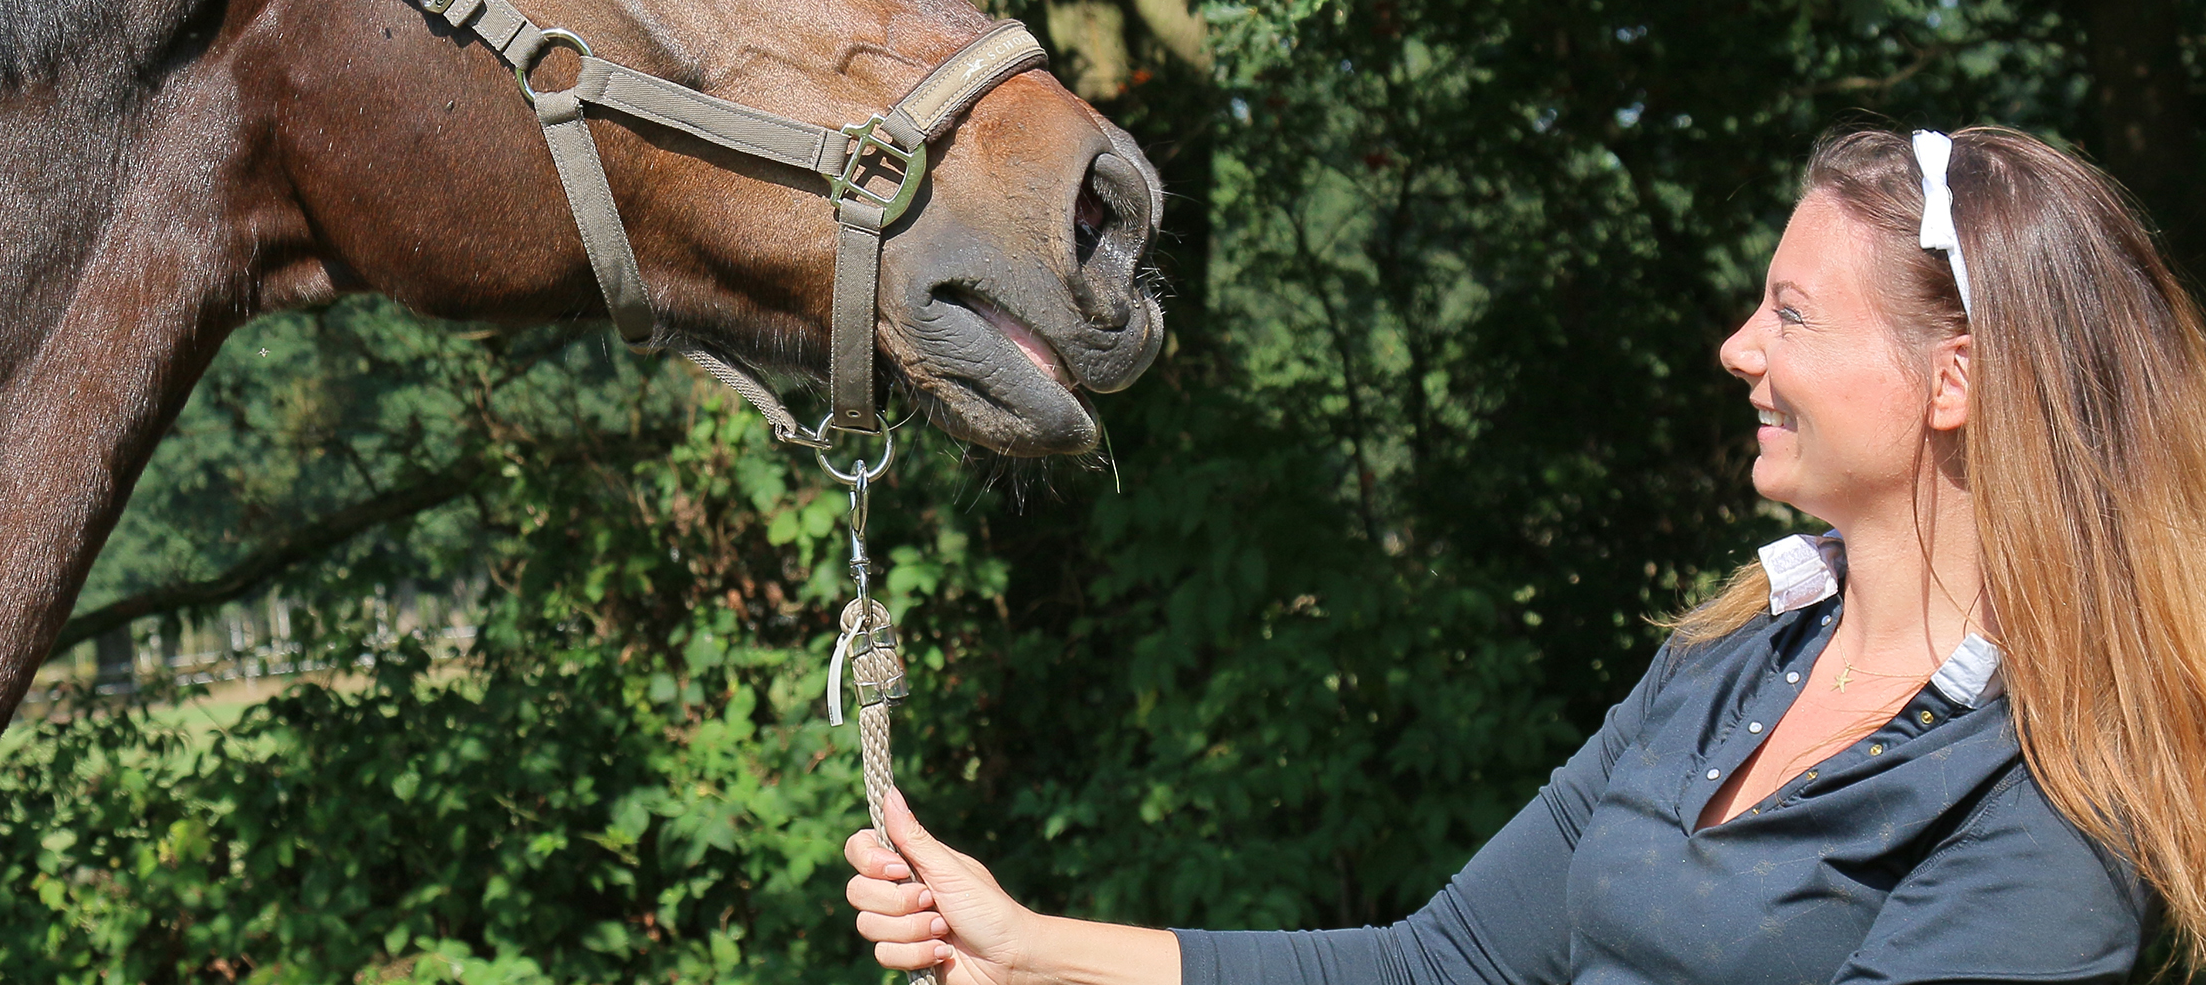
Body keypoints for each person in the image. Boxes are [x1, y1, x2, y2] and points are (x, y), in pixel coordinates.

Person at [842, 126, 2206, 984]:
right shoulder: (1738, 658)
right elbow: (1440, 962)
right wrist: (1032, 949)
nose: (1741, 349)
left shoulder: (2048, 804)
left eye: (1791, 314)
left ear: (1952, 381)